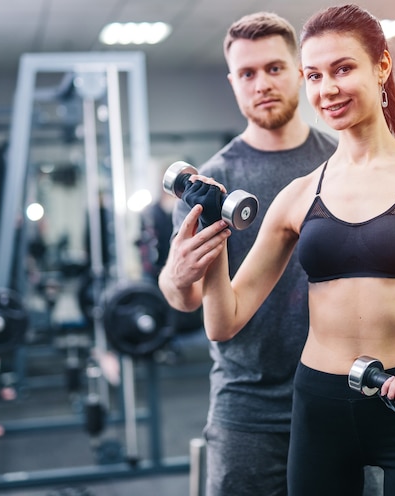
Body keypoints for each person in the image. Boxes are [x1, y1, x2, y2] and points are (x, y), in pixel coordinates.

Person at [185, 4, 395, 496]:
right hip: (319, 407)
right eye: (313, 75)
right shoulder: (298, 195)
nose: (326, 89)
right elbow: (223, 321)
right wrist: (212, 233)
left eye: (343, 69)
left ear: (382, 66)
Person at [158, 12, 337, 496]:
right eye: (247, 74)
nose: (262, 84)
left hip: (339, 397)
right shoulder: (209, 183)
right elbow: (185, 299)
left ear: (300, 70)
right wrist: (175, 277)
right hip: (248, 404)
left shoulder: (342, 165)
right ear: (233, 82)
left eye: (274, 68)